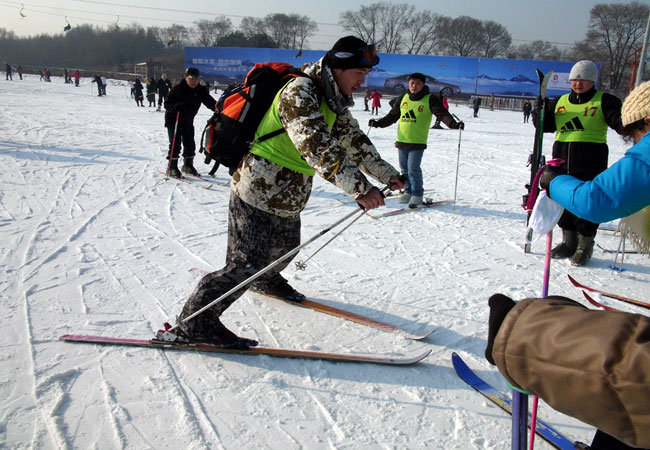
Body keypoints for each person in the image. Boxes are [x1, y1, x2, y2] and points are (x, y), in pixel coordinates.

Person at [172, 36, 406, 348]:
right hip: (257, 188)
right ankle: (195, 322)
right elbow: (315, 144)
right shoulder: (300, 91)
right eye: (358, 74)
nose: (363, 82)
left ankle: (265, 280)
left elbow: (354, 140)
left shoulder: (332, 98)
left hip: (289, 194)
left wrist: (387, 174)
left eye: (365, 76)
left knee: (284, 251)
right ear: (337, 69)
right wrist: (360, 189)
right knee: (245, 264)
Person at [486, 80, 650, 450]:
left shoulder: (611, 109)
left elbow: (598, 199)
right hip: (569, 164)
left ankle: (582, 246)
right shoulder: (564, 102)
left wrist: (523, 335)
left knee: (634, 388)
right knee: (630, 405)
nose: (637, 144)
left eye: (638, 133)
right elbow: (543, 125)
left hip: (585, 172)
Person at [535, 60, 624, 266]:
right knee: (561, 198)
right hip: (561, 157)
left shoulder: (604, 100)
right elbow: (544, 127)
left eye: (583, 80)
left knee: (587, 200)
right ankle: (569, 240)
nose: (578, 84)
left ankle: (585, 244)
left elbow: (619, 123)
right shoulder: (560, 101)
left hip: (590, 157)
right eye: (575, 80)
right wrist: (540, 111)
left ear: (592, 81)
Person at [368, 72, 464, 207]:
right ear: (409, 83)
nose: (414, 86)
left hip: (417, 141)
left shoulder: (430, 99)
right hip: (402, 139)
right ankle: (408, 191)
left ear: (423, 85)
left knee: (413, 169)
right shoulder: (403, 98)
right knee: (405, 170)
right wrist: (378, 123)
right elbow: (392, 116)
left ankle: (417, 194)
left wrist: (453, 124)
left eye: (418, 84)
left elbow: (442, 114)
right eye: (412, 83)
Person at [164, 67, 217, 178]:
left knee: (190, 144)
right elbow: (167, 104)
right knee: (175, 144)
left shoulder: (200, 90)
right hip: (174, 120)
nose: (194, 81)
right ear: (186, 78)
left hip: (187, 121)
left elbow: (210, 102)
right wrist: (175, 107)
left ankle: (188, 165)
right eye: (191, 79)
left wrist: (219, 109)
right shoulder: (177, 89)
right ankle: (172, 167)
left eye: (196, 79)